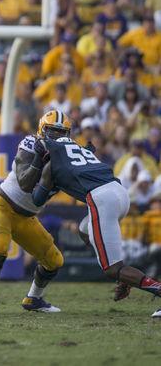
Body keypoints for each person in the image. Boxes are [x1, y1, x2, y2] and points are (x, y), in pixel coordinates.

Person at [31, 136, 161, 318]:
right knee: (85, 231)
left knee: (111, 268)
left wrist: (39, 174)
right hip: (120, 193)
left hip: (102, 199)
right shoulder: (81, 150)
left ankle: (154, 288)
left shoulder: (50, 161)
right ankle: (123, 275)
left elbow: (37, 200)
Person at [0, 111, 70, 314]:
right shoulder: (31, 143)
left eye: (61, 133)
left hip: (27, 216)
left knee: (54, 260)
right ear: (42, 130)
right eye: (52, 132)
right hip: (3, 205)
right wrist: (41, 159)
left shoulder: (67, 156)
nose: (56, 138)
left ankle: (33, 299)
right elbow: (25, 183)